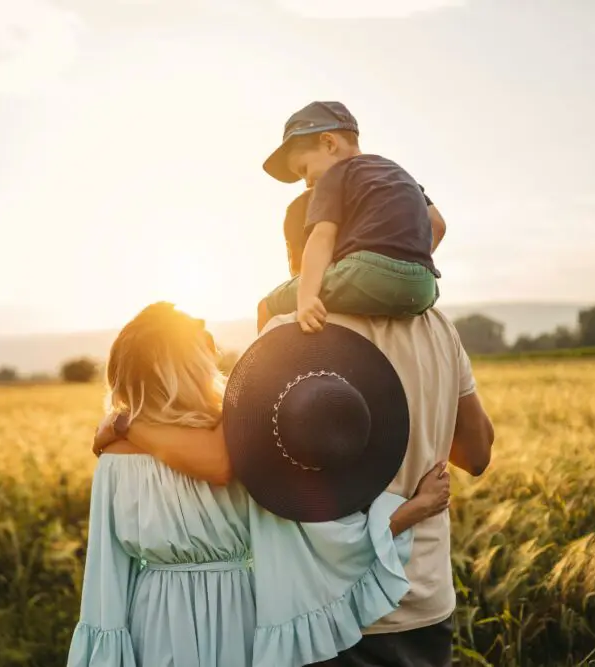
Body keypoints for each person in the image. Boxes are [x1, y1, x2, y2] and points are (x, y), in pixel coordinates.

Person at [95, 307, 495, 667]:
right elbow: (326, 545)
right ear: (191, 368)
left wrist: (125, 424)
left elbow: (105, 572)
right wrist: (415, 508)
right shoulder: (246, 458)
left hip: (151, 626)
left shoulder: (112, 458)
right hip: (238, 625)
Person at [258, 101, 448, 334]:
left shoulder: (335, 174)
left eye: (304, 169)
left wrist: (306, 298)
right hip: (423, 286)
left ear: (329, 143)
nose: (307, 182)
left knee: (268, 306)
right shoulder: (398, 172)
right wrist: (404, 262)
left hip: (366, 274)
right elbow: (437, 225)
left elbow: (322, 238)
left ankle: (264, 370)